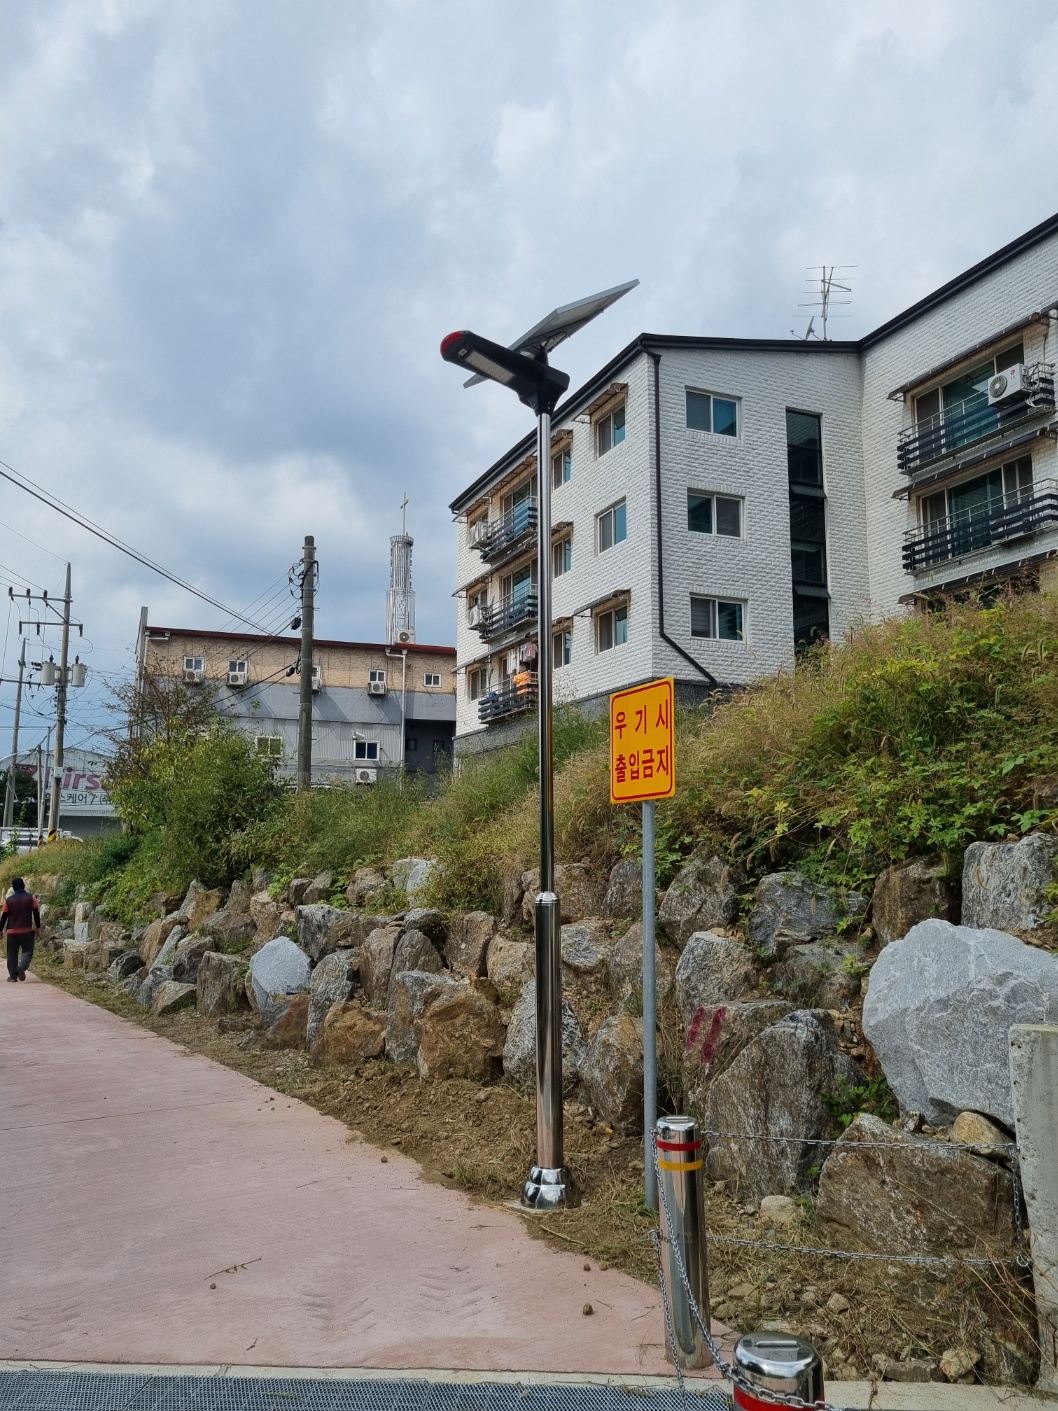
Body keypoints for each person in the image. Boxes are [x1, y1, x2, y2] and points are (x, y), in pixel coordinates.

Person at [2, 876, 40, 982]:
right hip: (26, 930)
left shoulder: (8, 901)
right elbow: (36, 914)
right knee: (27, 951)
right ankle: (22, 967)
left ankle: (13, 976)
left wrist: (0, 930)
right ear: (23, 885)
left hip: (12, 931)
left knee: (12, 954)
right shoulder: (31, 898)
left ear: (13, 888)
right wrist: (38, 927)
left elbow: (4, 916)